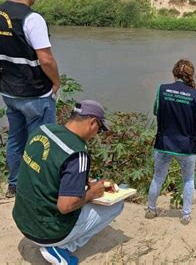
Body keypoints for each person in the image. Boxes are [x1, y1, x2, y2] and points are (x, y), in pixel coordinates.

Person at [12, 100, 123, 264]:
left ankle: (57, 244)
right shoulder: (77, 153)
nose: (96, 135)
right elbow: (65, 206)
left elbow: (48, 171)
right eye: (99, 129)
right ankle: (63, 247)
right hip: (47, 232)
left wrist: (86, 182)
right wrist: (91, 194)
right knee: (117, 205)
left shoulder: (42, 130)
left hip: (23, 220)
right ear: (92, 122)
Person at [0, 0, 61, 198]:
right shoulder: (31, 18)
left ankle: (14, 185)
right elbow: (45, 59)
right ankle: (36, 188)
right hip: (35, 93)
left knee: (16, 139)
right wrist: (56, 82)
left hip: (8, 91)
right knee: (41, 142)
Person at [146, 59, 196, 225]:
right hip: (187, 146)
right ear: (191, 75)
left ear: (174, 73)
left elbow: (155, 111)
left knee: (158, 178)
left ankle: (151, 210)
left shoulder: (162, 90)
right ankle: (186, 215)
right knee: (188, 180)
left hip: (164, 143)